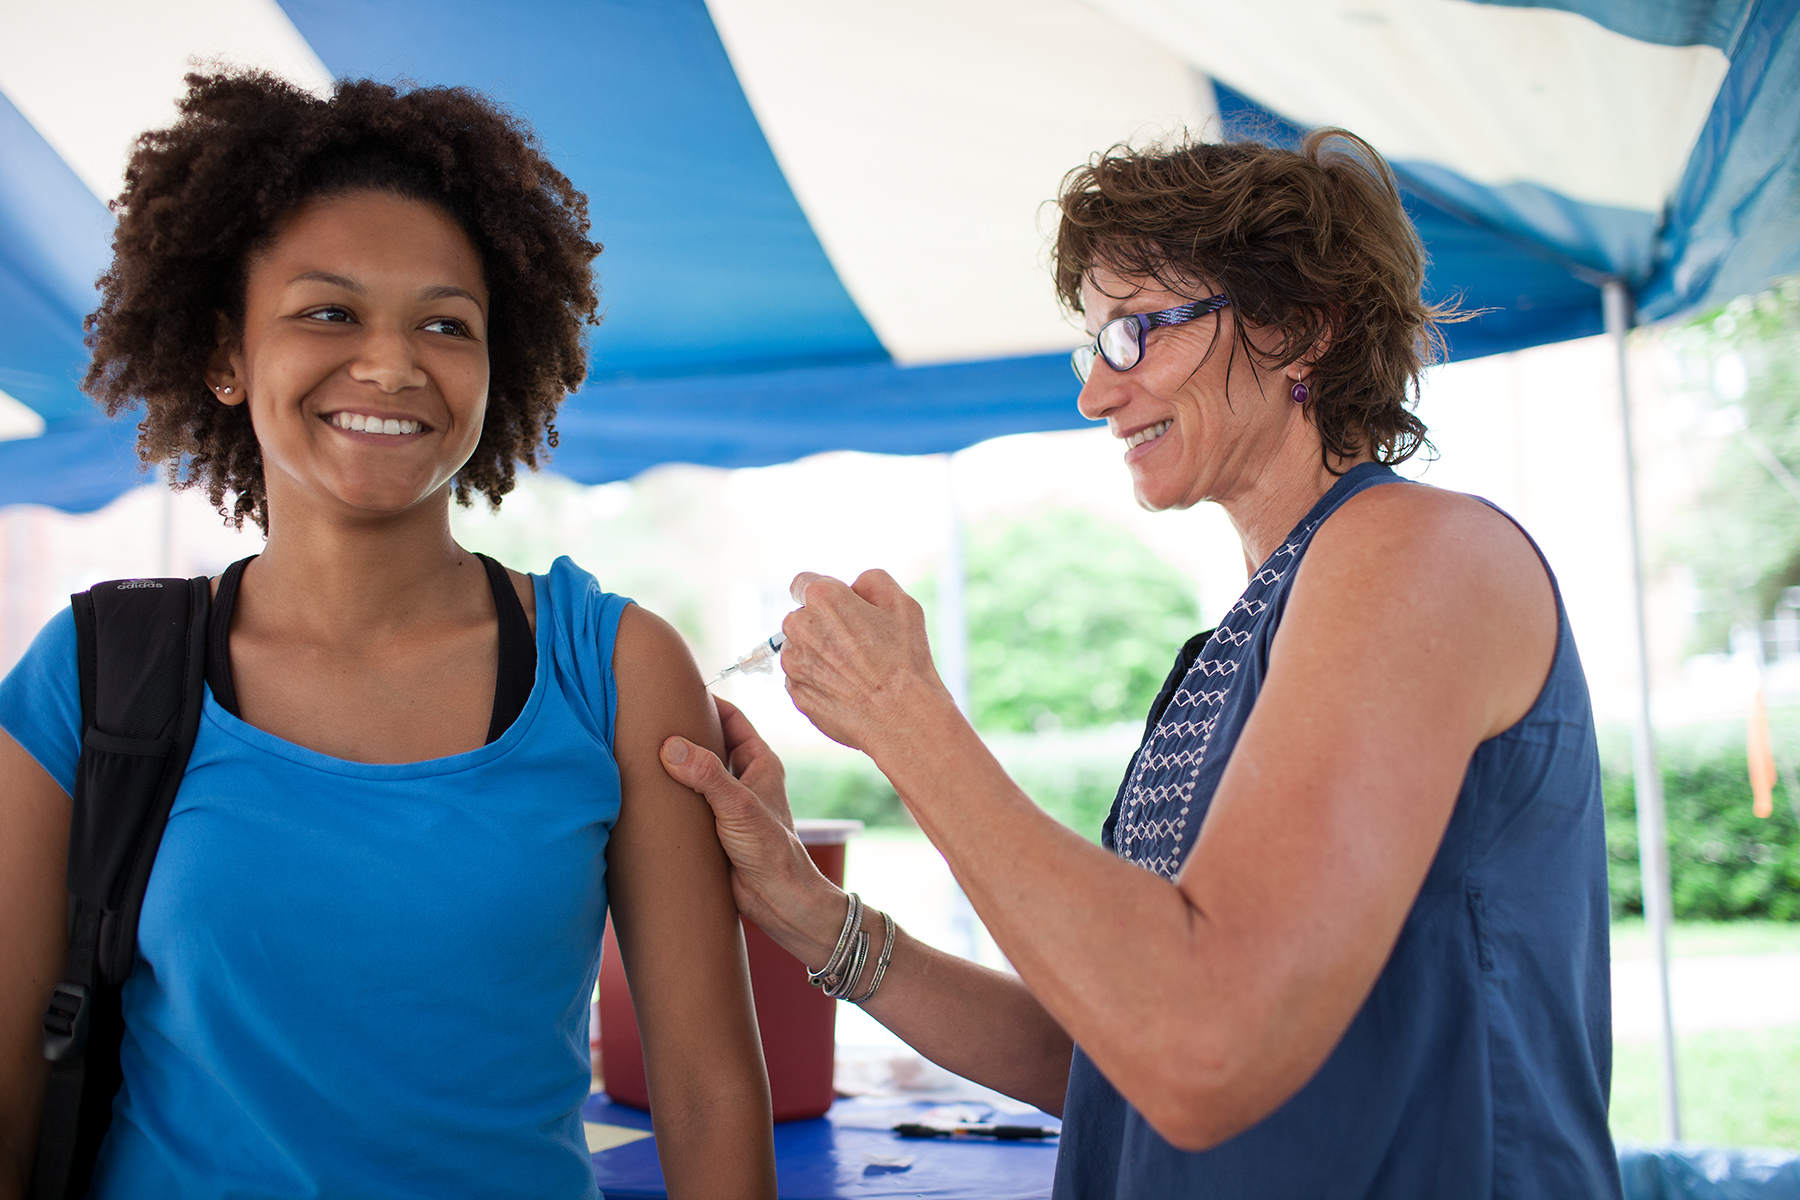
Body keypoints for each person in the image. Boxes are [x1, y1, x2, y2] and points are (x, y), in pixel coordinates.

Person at [659, 129, 1621, 1197]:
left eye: (1137, 333)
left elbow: (1202, 1046)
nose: (1097, 395)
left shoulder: (1418, 556)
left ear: (1299, 327)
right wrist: (814, 917)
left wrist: (901, 712)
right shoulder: (1249, 634)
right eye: (1096, 346)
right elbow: (1110, 1057)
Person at [0, 72, 775, 1199]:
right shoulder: (89, 676)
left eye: (445, 323)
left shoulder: (613, 670)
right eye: (328, 311)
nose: (394, 363)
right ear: (225, 353)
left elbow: (706, 1095)